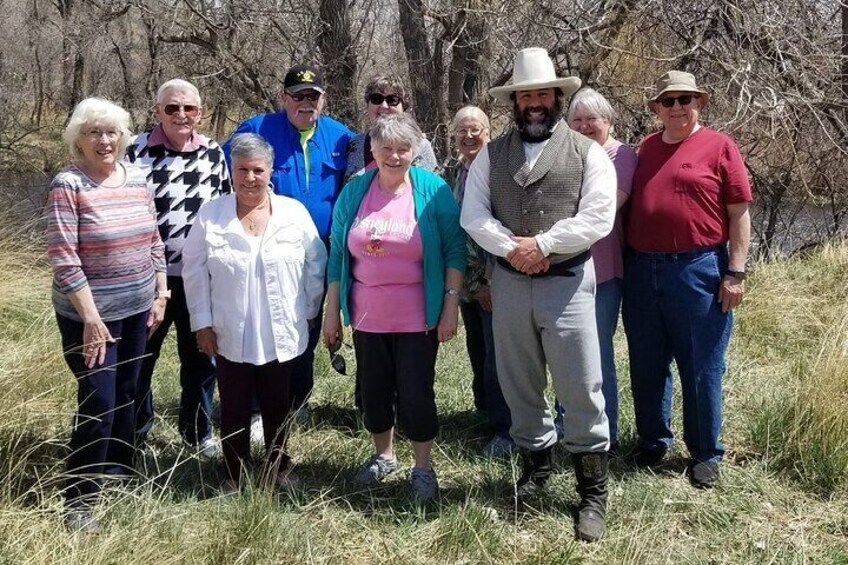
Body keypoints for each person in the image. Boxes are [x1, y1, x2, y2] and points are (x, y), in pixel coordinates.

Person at [460, 47, 616, 542]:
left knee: (581, 384)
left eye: (541, 94)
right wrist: (514, 249)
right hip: (509, 283)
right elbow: (474, 215)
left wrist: (544, 245)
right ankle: (536, 471)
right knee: (519, 382)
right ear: (515, 100)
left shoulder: (588, 152)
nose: (533, 102)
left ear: (555, 96)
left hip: (567, 284)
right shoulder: (491, 153)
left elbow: (597, 217)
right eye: (525, 94)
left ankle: (592, 493)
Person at [323, 113, 465, 502]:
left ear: (415, 152)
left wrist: (450, 307)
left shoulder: (433, 190)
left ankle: (423, 467)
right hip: (368, 317)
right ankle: (383, 456)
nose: (395, 156)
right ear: (372, 150)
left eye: (403, 148)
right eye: (386, 148)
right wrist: (332, 311)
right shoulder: (355, 192)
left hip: (418, 316)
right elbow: (338, 253)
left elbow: (455, 251)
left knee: (417, 392)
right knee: (374, 390)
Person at [623, 71, 751, 489]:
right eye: (669, 100)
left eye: (685, 99)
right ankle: (653, 441)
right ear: (657, 108)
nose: (677, 107)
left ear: (700, 103)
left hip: (698, 269)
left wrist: (735, 272)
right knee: (646, 361)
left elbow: (739, 214)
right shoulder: (644, 149)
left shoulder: (719, 146)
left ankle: (705, 452)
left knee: (701, 365)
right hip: (642, 269)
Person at [46, 97, 167, 533]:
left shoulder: (136, 177)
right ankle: (79, 499)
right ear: (79, 138)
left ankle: (115, 469)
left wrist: (161, 292)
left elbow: (154, 239)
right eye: (94, 132)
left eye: (111, 132)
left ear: (123, 137)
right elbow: (64, 259)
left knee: (129, 391)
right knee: (98, 399)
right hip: (90, 318)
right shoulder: (69, 185)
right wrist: (92, 319)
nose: (104, 141)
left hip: (138, 310)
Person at [182, 133, 327, 493]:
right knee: (233, 403)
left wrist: (309, 312)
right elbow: (194, 270)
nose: (250, 178)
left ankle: (278, 465)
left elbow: (316, 264)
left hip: (280, 326)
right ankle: (234, 472)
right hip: (230, 329)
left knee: (279, 402)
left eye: (257, 170)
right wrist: (202, 323)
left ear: (270, 171)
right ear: (232, 170)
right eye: (242, 169)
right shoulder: (211, 215)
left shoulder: (294, 213)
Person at [224, 64, 355, 422]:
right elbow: (223, 170)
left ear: (323, 100)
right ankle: (254, 407)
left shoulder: (341, 137)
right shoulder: (258, 128)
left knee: (308, 326)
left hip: (324, 251)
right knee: (265, 324)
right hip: (270, 249)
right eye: (297, 96)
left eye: (313, 97)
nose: (305, 103)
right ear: (284, 97)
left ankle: (297, 401)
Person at [127, 79, 231, 459]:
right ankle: (136, 429)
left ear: (200, 113)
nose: (181, 115)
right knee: (140, 355)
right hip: (146, 276)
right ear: (158, 112)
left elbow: (224, 209)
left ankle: (198, 434)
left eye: (189, 108)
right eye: (172, 108)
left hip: (199, 277)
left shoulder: (214, 153)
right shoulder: (134, 150)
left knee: (202, 358)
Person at [552, 88, 639, 455]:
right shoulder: (561, 153)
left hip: (603, 272)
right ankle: (565, 426)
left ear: (609, 121)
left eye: (593, 119)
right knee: (562, 351)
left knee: (597, 353)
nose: (585, 125)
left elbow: (605, 210)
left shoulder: (621, 156)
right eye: (577, 119)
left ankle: (607, 433)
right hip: (562, 270)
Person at [445, 106, 513, 458]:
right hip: (467, 282)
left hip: (490, 279)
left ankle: (507, 430)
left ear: (490, 131)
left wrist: (489, 278)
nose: (469, 137)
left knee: (496, 356)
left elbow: (500, 225)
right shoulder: (458, 169)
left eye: (476, 130)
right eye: (462, 131)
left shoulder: (496, 169)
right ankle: (486, 413)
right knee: (478, 350)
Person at [344, 73, 438, 182]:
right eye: (376, 99)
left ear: (404, 106)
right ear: (367, 104)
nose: (384, 106)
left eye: (392, 100)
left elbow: (431, 191)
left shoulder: (420, 146)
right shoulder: (356, 145)